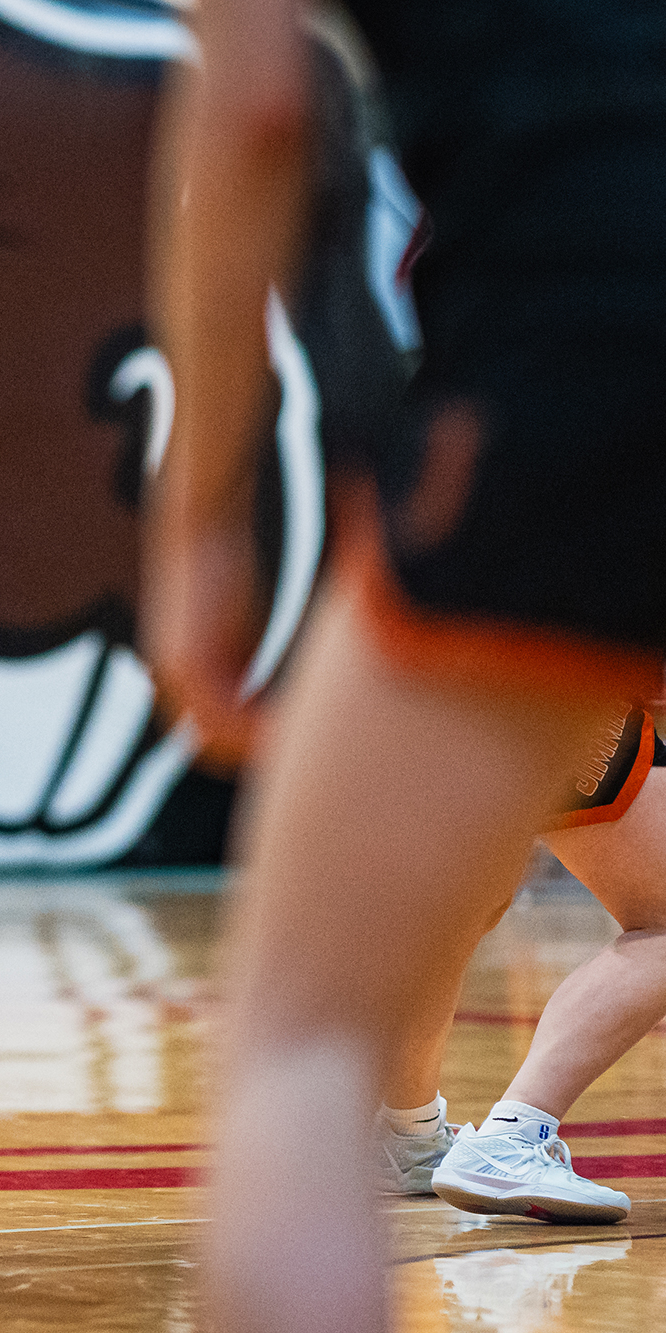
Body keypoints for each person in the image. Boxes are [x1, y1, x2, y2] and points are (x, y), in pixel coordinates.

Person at [146, 1, 666, 1329]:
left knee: (299, 1050)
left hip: (573, 346)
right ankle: (482, 1126)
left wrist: (202, 522)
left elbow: (259, 106)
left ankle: (468, 1125)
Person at [376, 702, 666, 1223]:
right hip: (545, 661)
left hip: (419, 662)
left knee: (463, 911)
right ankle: (512, 1137)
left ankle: (406, 1135)